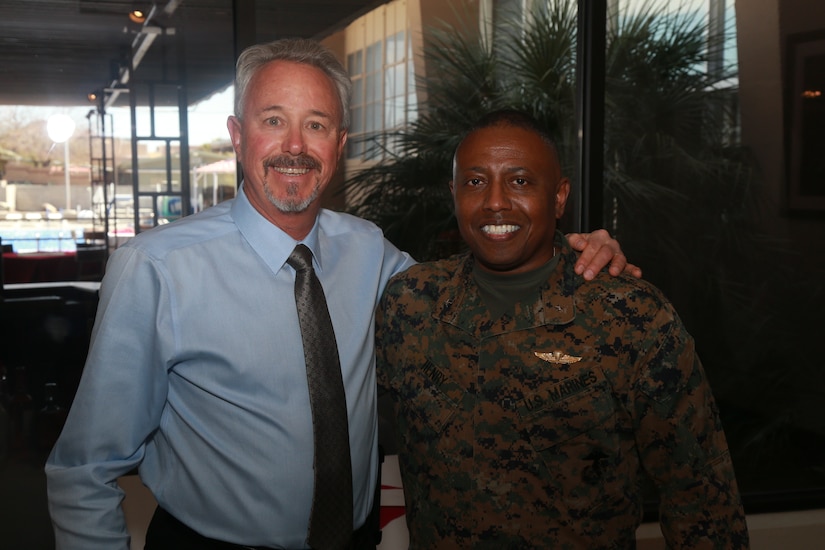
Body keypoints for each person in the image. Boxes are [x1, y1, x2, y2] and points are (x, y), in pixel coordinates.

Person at [45, 39, 633, 549]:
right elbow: (84, 469)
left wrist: (572, 260)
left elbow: (474, 294)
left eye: (317, 124)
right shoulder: (156, 269)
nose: (295, 145)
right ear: (236, 134)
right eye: (273, 119)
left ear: (340, 142)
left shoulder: (370, 251)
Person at [375, 109, 749, 549]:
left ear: (558, 196)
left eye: (519, 181)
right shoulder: (411, 302)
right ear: (452, 193)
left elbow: (702, 499)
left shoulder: (630, 316)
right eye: (475, 181)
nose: (495, 201)